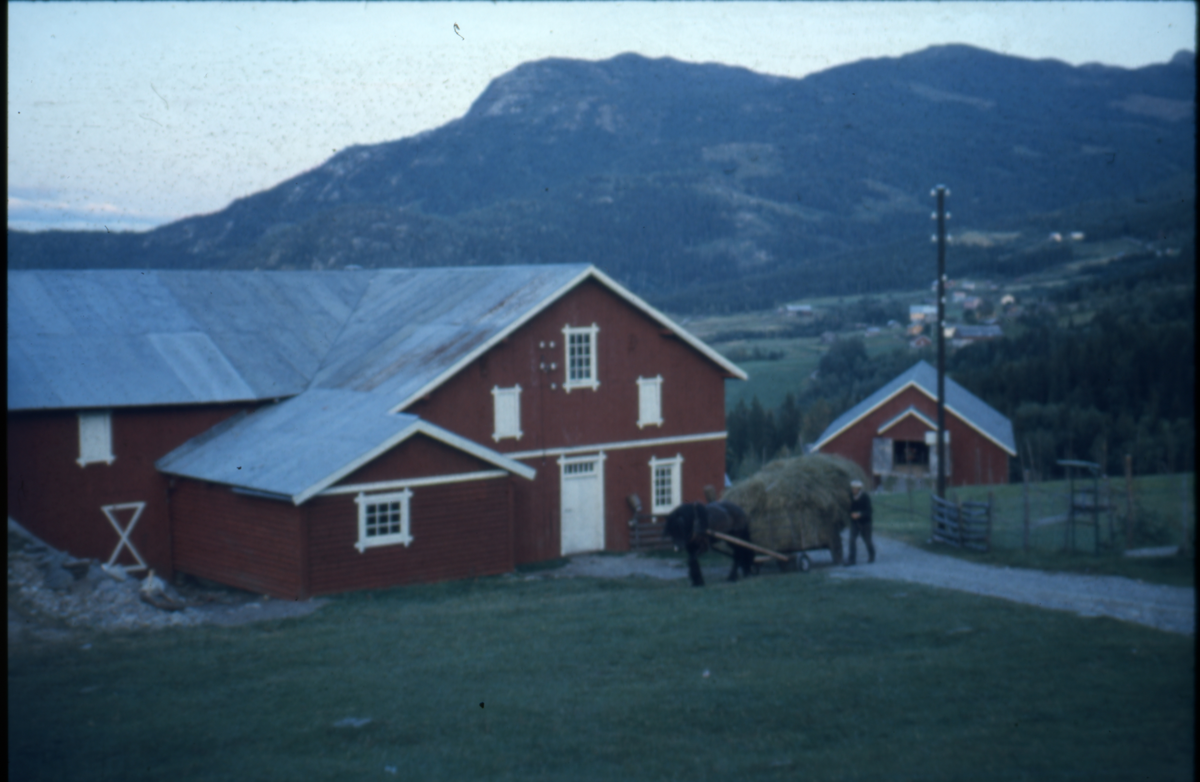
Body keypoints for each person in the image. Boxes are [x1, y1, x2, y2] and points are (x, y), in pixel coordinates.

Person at [847, 479, 875, 565]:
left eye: (855, 489)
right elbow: (848, 509)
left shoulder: (865, 497)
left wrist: (860, 514)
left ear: (859, 489)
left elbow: (869, 511)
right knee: (852, 539)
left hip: (865, 522)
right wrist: (851, 514)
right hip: (855, 522)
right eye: (852, 488)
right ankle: (852, 559)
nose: (853, 490)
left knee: (867, 540)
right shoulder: (850, 497)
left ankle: (872, 555)